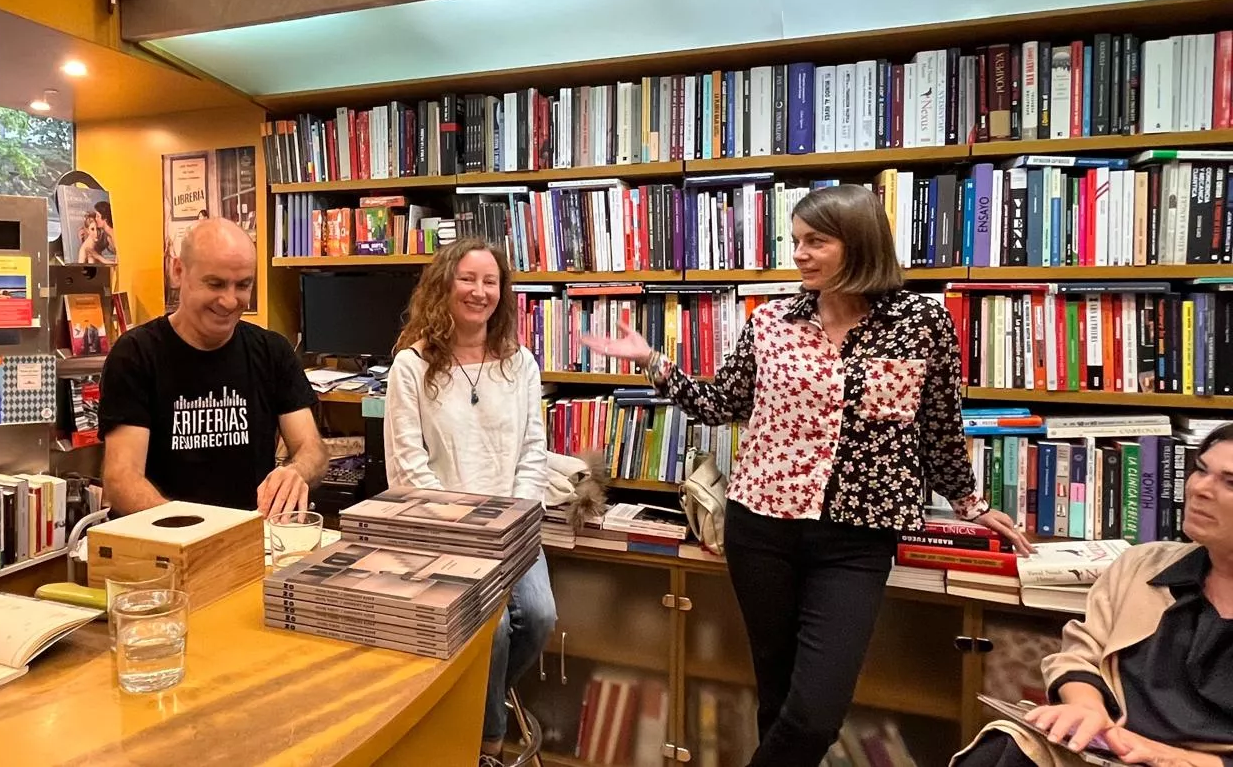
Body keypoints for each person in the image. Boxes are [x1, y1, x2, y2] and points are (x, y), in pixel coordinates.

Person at [584, 184, 1030, 767]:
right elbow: (723, 403)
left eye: (816, 241)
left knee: (816, 710)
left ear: (860, 244)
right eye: (796, 241)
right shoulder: (771, 319)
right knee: (777, 694)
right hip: (760, 527)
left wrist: (969, 503)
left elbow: (937, 424)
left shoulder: (922, 322)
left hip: (856, 538)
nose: (799, 254)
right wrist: (652, 362)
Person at [952, 422, 1233, 767]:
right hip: (1107, 752)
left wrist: (1172, 758)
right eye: (1200, 471)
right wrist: (1087, 710)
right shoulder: (1142, 566)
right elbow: (1079, 656)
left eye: (1230, 483)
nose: (1201, 489)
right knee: (1000, 754)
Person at [383, 238, 556, 767]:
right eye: (467, 279)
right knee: (495, 628)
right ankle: (487, 745)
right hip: (442, 532)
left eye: (490, 281)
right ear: (444, 285)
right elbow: (408, 467)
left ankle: (474, 701)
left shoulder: (519, 363)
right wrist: (462, 532)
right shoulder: (411, 367)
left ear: (502, 293)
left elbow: (533, 449)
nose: (479, 292)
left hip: (511, 526)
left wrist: (514, 521)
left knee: (541, 617)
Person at [100, 217, 325, 516]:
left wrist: (297, 472)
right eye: (215, 284)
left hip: (251, 540)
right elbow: (121, 481)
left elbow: (313, 451)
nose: (230, 301)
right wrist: (198, 534)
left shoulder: (272, 351)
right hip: (166, 544)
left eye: (243, 285)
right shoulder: (136, 354)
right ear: (178, 271)